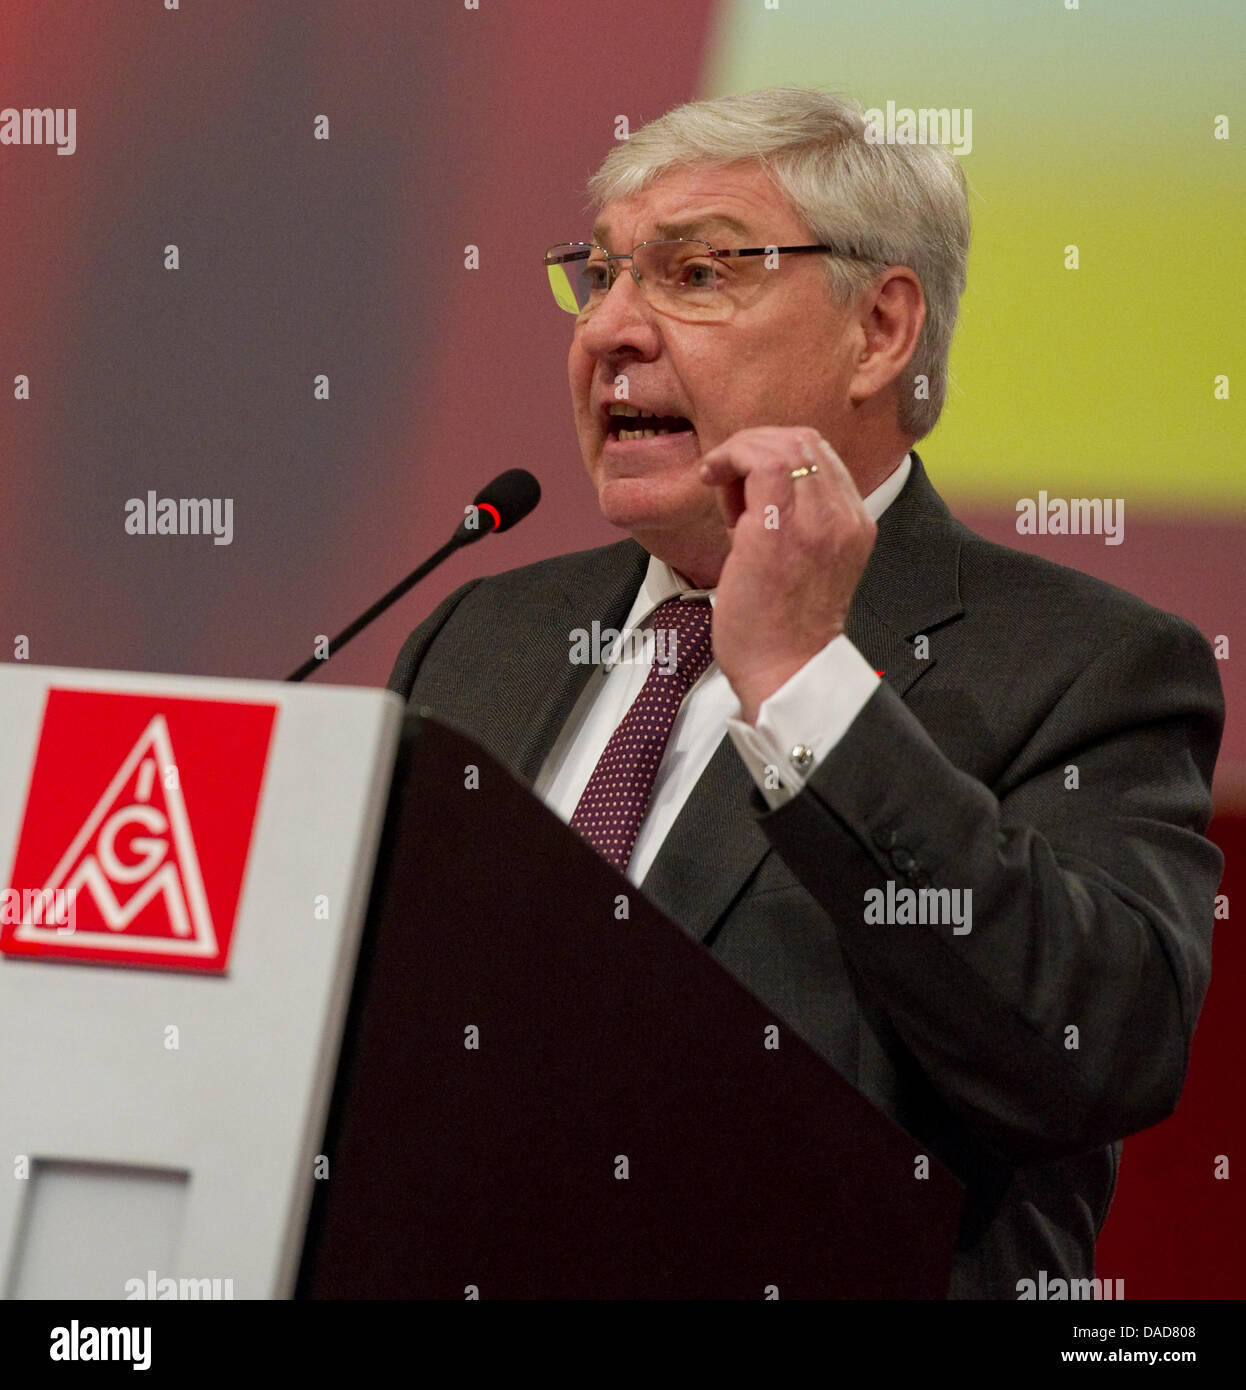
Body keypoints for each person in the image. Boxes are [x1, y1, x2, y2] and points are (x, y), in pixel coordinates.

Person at [388, 88, 1224, 1298]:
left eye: (695, 272)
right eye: (600, 274)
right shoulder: (483, 633)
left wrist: (799, 681)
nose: (610, 330)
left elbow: (1090, 1055)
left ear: (879, 330)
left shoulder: (1084, 663)